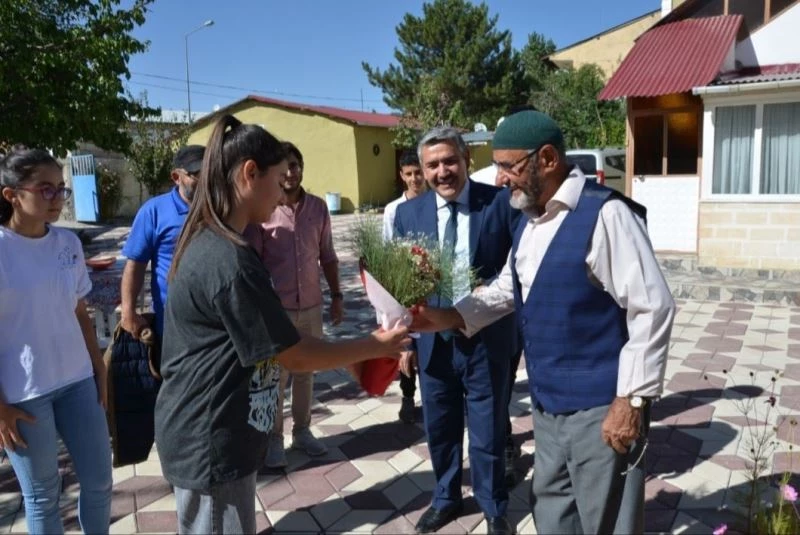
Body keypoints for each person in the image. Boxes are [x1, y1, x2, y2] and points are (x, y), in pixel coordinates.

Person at [411, 110, 676, 534]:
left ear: (548, 159)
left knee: (606, 521)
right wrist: (445, 317)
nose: (500, 179)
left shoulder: (605, 215)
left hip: (600, 409)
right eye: (497, 166)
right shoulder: (531, 220)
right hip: (548, 407)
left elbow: (653, 307)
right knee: (553, 513)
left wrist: (631, 401)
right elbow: (506, 289)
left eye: (508, 166)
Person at [154, 115, 410, 535]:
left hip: (215, 434)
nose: (281, 192)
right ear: (250, 174)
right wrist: (374, 345)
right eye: (277, 179)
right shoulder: (227, 259)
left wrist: (349, 356)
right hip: (210, 440)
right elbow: (294, 355)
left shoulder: (219, 241)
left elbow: (275, 338)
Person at [394, 127, 520, 535]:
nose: (442, 171)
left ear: (466, 159)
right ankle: (446, 497)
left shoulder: (499, 203)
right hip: (433, 344)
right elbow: (401, 285)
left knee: (488, 428)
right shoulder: (408, 214)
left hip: (486, 339)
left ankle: (493, 505)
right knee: (441, 427)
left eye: (450, 161)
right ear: (422, 169)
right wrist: (406, 342)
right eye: (432, 165)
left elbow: (517, 269)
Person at [0, 147, 112, 534]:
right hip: (24, 393)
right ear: (12, 195)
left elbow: (79, 311)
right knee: (43, 496)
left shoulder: (67, 243)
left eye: (61, 189)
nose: (57, 198)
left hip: (77, 381)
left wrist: (98, 366)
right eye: (45, 189)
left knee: (100, 482)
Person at [245, 141, 343, 468]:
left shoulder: (318, 208)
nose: (291, 172)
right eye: (285, 167)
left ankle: (302, 431)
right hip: (278, 310)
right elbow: (253, 263)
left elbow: (328, 256)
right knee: (277, 375)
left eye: (296, 165)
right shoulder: (265, 211)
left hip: (311, 306)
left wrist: (337, 296)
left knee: (306, 372)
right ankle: (274, 439)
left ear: (302, 169)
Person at [120, 145, 205, 340]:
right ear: (176, 177)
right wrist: (128, 312)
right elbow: (135, 265)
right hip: (171, 326)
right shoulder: (153, 211)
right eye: (197, 174)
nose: (205, 180)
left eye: (210, 172)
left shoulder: (220, 209)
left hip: (215, 324)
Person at [381, 149, 426, 424]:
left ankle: (435, 395)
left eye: (418, 172)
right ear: (401, 175)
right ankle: (408, 396)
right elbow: (388, 249)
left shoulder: (436, 202)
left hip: (431, 285)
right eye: (409, 174)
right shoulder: (393, 210)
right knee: (406, 344)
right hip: (405, 287)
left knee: (431, 343)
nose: (414, 179)